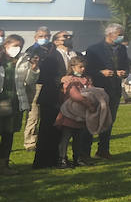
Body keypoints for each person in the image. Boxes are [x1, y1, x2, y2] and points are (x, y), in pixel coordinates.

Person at [55, 53, 109, 168]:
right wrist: (88, 103)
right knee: (66, 137)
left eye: (84, 67)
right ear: (73, 67)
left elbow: (92, 90)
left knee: (79, 137)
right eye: (80, 67)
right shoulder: (69, 80)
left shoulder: (87, 79)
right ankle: (62, 158)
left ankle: (78, 158)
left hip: (81, 114)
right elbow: (74, 95)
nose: (83, 69)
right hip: (69, 113)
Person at [85, 24, 131, 159]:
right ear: (110, 34)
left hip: (114, 89)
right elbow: (87, 70)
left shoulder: (122, 49)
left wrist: (124, 73)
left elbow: (126, 66)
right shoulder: (94, 49)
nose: (121, 37)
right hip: (99, 89)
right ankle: (84, 152)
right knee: (93, 120)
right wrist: (101, 73)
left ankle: (103, 150)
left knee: (109, 121)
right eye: (119, 34)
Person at [31, 32, 65, 168]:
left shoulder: (72, 55)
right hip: (50, 96)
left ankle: (56, 158)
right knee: (46, 130)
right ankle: (42, 161)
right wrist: (60, 80)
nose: (68, 39)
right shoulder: (51, 57)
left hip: (62, 97)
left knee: (59, 130)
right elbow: (44, 76)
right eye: (65, 37)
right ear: (56, 41)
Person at [0, 35, 27, 174]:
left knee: (8, 134)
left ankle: (4, 165)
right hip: (1, 99)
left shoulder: (23, 60)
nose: (18, 49)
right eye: (15, 45)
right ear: (6, 45)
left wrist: (34, 68)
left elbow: (30, 80)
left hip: (15, 101)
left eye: (20, 46)